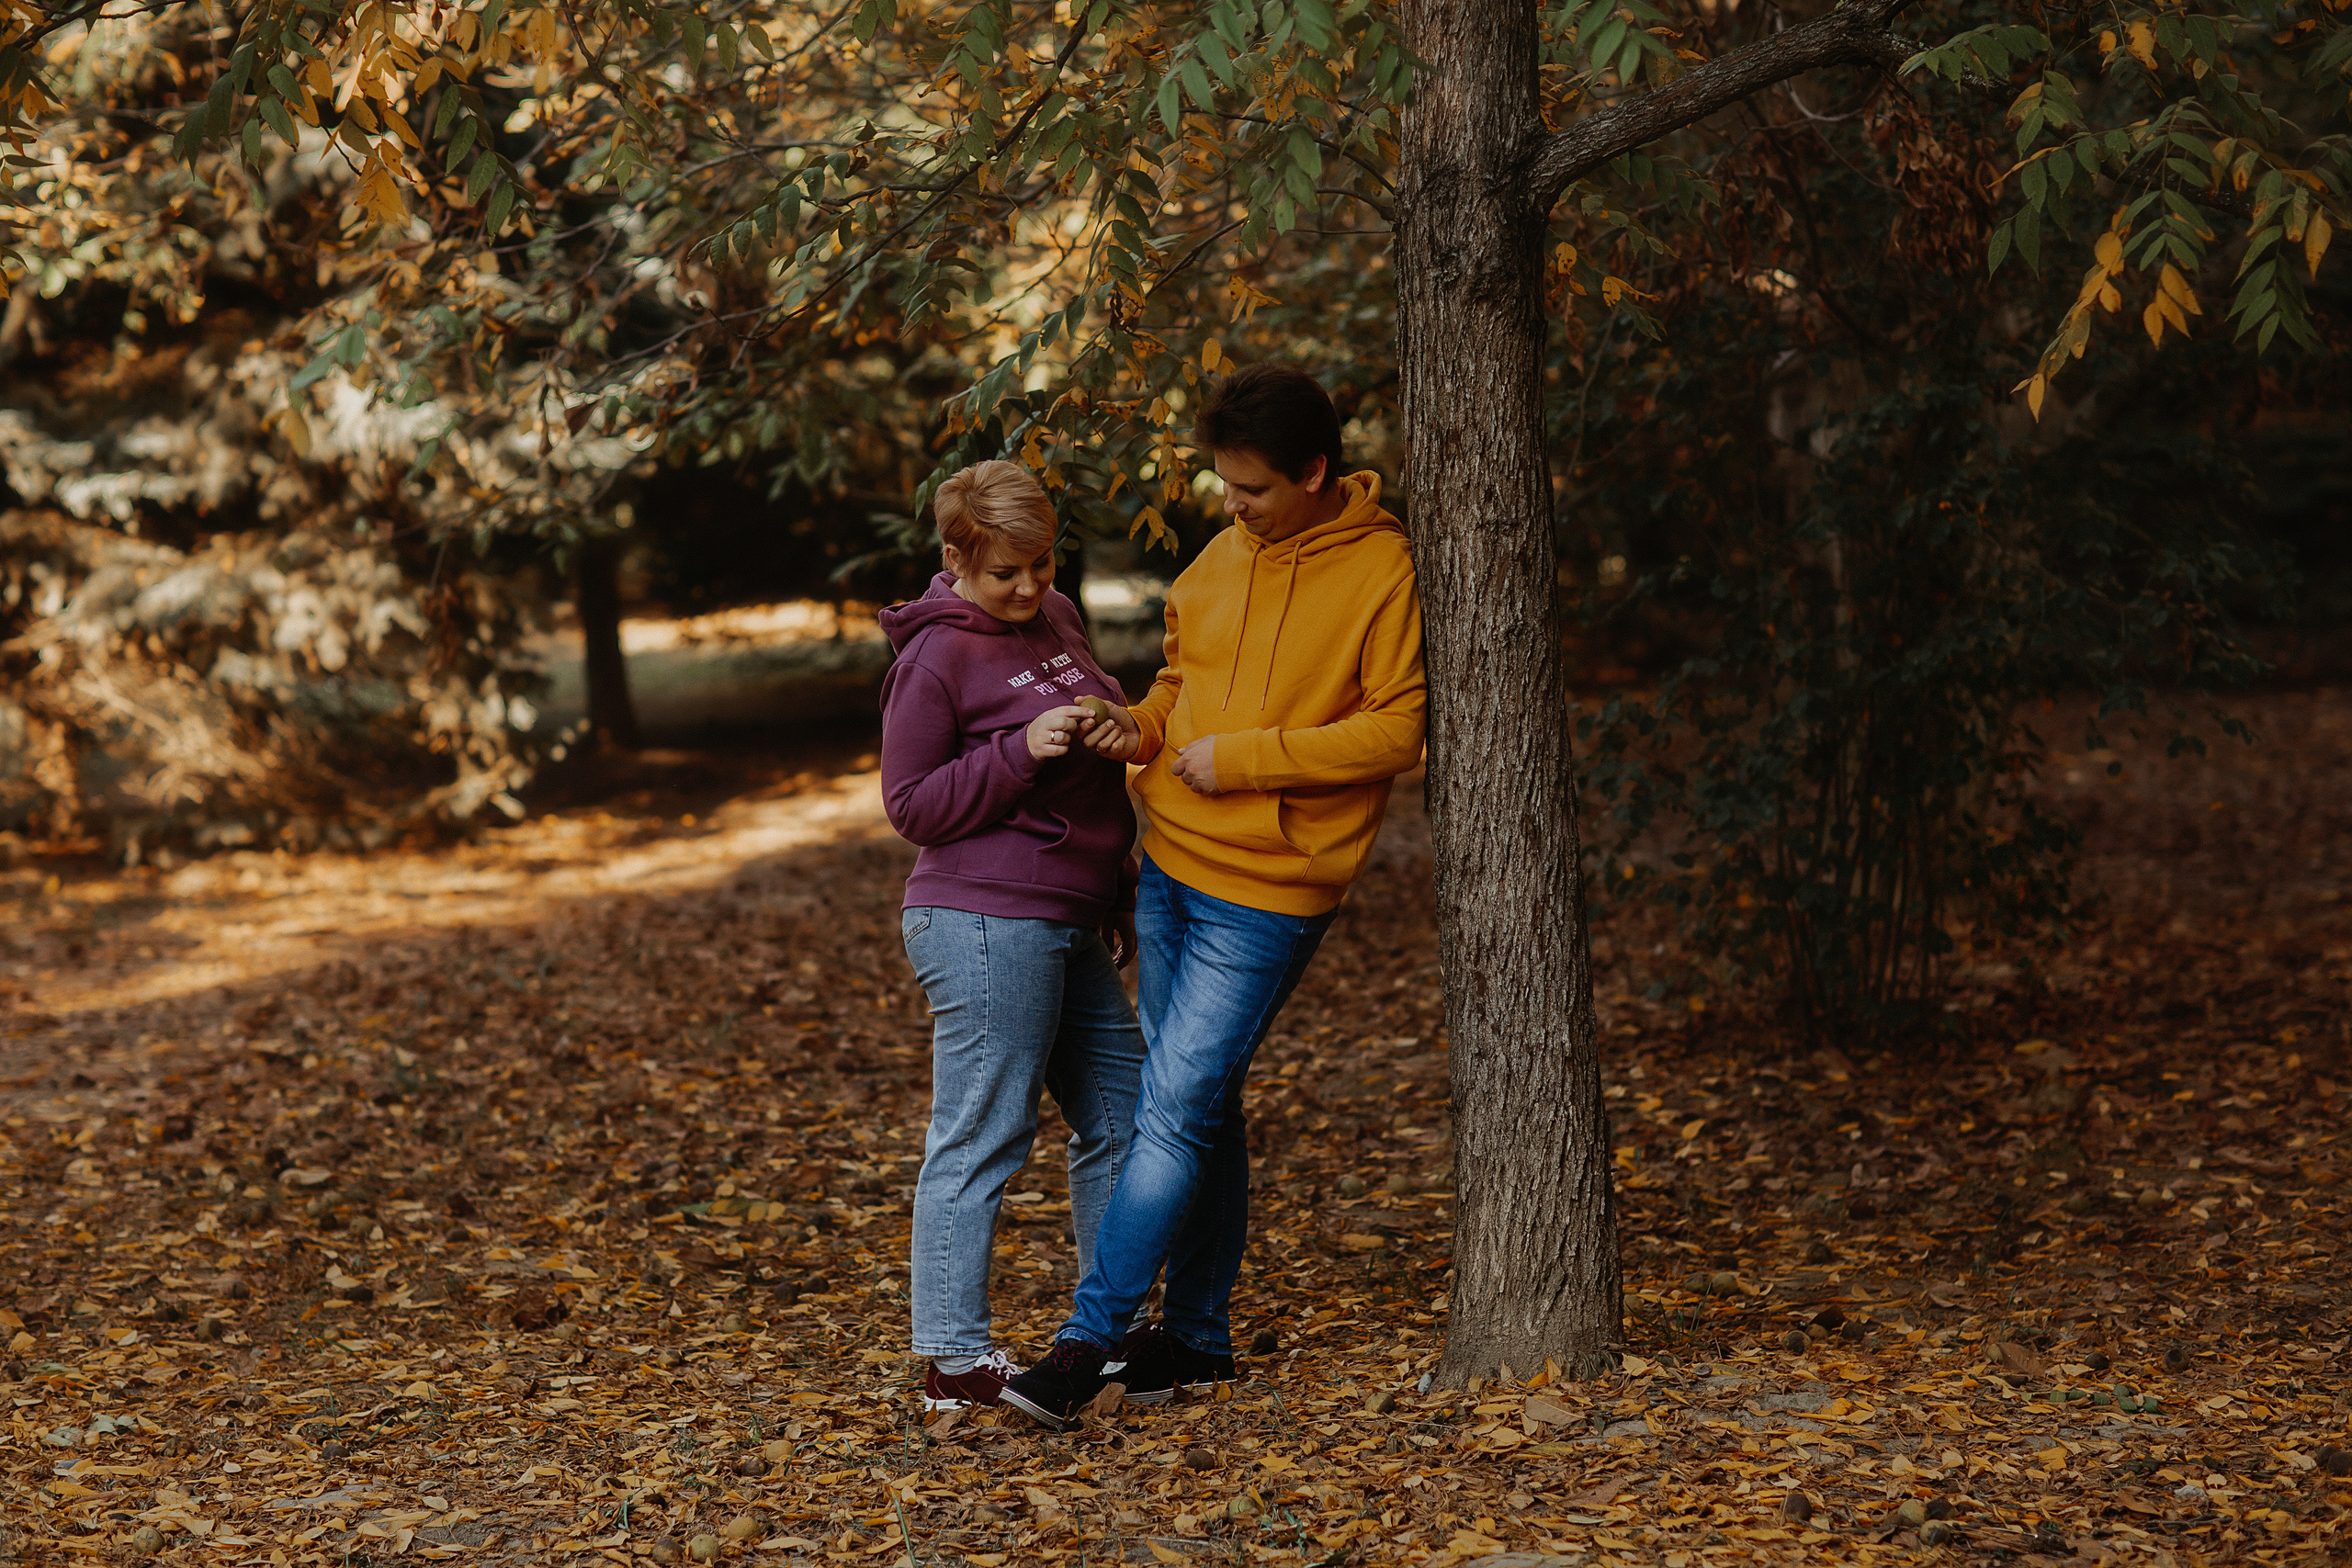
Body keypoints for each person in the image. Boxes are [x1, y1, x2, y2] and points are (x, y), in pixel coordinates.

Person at [1000, 364, 1428, 1427]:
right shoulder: (1221, 557)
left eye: (1251, 489)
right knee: (1205, 1106)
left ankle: (1084, 1343)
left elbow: (1396, 732)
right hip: (1172, 870)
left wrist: (1245, 761)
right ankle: (1194, 1340)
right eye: (1225, 488)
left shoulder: (1384, 571)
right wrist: (1132, 730)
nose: (1231, 506)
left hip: (1270, 892)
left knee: (1174, 1105)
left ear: (1314, 472)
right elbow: (1180, 689)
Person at [877, 458, 1147, 1412]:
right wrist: (1013, 753)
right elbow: (910, 804)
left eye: (1041, 564)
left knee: (1124, 1120)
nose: (1029, 588)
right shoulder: (935, 656)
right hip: (983, 916)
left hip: (1067, 912)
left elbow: (1096, 777)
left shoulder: (1058, 616)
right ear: (955, 557)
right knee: (986, 1130)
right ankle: (954, 1358)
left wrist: (1115, 887)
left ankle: (1102, 1338)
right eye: (1005, 573)